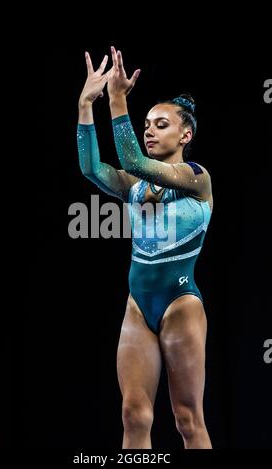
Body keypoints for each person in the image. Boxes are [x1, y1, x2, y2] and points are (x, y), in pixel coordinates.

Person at [77, 46, 213, 449]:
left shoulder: (197, 178)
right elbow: (91, 168)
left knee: (187, 419)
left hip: (180, 304)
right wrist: (87, 105)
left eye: (161, 124)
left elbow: (133, 160)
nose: (149, 130)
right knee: (134, 417)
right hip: (138, 305)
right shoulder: (135, 187)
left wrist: (117, 99)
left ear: (185, 135)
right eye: (146, 123)